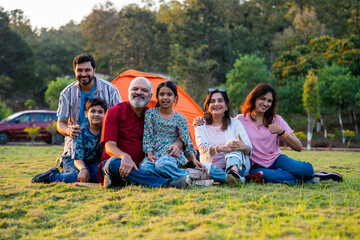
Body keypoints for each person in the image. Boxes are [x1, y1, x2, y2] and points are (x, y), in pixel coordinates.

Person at [236, 83, 342, 185]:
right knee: (271, 176)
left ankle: (308, 175)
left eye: (269, 101)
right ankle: (311, 180)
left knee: (306, 170)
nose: (265, 103)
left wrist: (281, 132)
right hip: (256, 166)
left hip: (277, 159)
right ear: (254, 98)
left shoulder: (276, 119)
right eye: (262, 98)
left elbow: (298, 147)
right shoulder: (240, 120)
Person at [99, 77, 194, 189]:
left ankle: (122, 180)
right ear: (128, 92)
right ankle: (169, 184)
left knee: (150, 167)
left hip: (143, 165)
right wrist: (124, 156)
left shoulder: (153, 115)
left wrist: (178, 143)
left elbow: (181, 134)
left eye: (144, 90)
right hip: (119, 162)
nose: (139, 92)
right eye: (135, 89)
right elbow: (109, 147)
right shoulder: (115, 112)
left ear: (150, 97)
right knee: (113, 163)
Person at [56, 53, 122, 173]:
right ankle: (52, 176)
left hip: (100, 150)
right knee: (76, 175)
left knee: (101, 175)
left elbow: (121, 119)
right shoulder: (66, 93)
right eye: (79, 70)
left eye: (87, 70)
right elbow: (60, 124)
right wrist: (69, 131)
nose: (83, 74)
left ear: (94, 70)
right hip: (74, 150)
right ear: (74, 71)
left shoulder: (110, 90)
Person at [139, 81, 211, 185]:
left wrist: (194, 160)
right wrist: (149, 155)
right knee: (144, 169)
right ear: (157, 97)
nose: (165, 97)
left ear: (175, 98)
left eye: (169, 94)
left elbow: (187, 140)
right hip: (154, 154)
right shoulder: (150, 114)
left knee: (161, 166)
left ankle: (194, 176)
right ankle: (189, 178)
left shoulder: (180, 118)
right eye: (162, 94)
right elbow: (148, 136)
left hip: (171, 155)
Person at [31, 98, 107, 183]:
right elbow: (77, 159)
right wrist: (83, 169)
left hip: (92, 162)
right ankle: (52, 176)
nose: (96, 114)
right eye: (93, 111)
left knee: (99, 177)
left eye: (100, 112)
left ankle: (86, 172)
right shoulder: (79, 131)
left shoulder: (106, 131)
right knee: (79, 177)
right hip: (73, 159)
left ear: (105, 114)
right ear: (86, 114)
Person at [194, 88, 255, 185]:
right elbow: (202, 148)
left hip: (237, 166)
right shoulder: (200, 124)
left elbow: (249, 150)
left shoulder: (235, 123)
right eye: (212, 101)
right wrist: (222, 148)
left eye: (220, 101)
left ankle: (233, 172)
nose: (216, 104)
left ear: (226, 106)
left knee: (234, 142)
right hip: (212, 168)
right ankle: (236, 179)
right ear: (208, 106)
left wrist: (242, 146)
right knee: (200, 168)